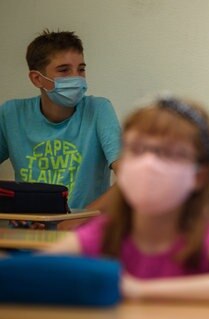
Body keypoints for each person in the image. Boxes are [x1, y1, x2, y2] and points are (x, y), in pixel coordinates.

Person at [46, 97, 209, 302]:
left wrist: (140, 290)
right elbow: (36, 269)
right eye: (136, 150)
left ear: (199, 175)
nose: (149, 164)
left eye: (167, 153)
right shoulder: (105, 231)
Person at [0, 30, 121, 212]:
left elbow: (132, 179)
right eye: (64, 70)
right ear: (37, 79)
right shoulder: (11, 114)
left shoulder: (98, 109)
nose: (77, 78)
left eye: (81, 69)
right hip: (29, 230)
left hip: (82, 232)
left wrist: (80, 221)